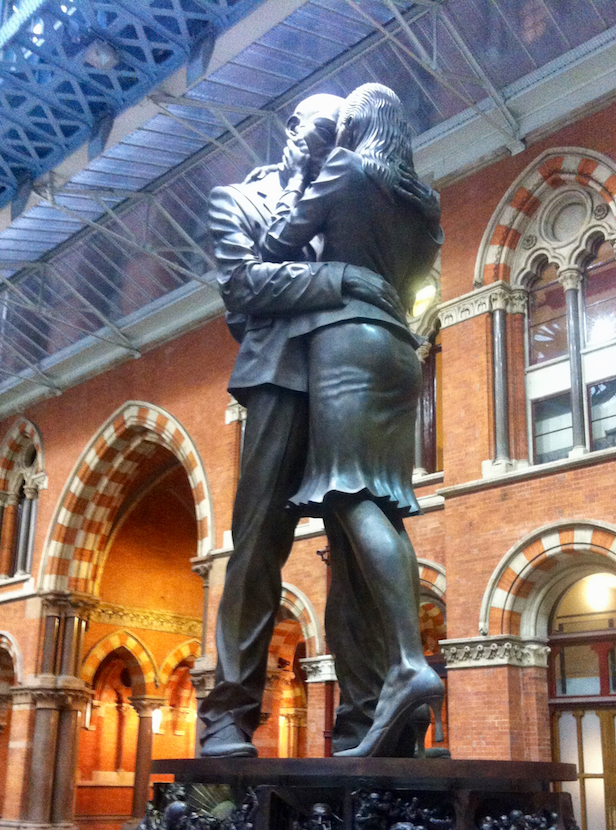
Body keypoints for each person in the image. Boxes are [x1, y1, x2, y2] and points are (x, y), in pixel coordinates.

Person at [199, 93, 406, 757]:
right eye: (321, 132)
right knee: (258, 542)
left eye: (341, 133)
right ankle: (228, 714)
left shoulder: (349, 183)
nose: (329, 145)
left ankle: (366, 716)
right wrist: (343, 277)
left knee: (359, 542)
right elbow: (245, 287)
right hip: (281, 377)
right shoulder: (235, 199)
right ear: (292, 129)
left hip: (350, 374)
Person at [260, 83, 445, 757]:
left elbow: (280, 243)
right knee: (381, 506)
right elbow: (413, 274)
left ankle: (404, 663)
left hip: (348, 343)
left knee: (350, 489)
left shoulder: (345, 170)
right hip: (401, 348)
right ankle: (399, 692)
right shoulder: (425, 203)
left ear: (356, 124)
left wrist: (296, 182)